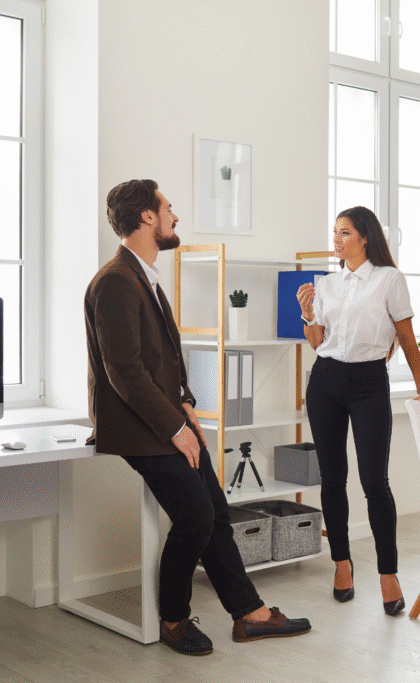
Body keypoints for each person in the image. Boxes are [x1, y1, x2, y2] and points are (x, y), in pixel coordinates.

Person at [85, 180, 310, 656]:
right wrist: (174, 430)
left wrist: (186, 401)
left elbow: (164, 356)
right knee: (195, 517)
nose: (174, 216)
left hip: (167, 417)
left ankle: (248, 614)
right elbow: (123, 370)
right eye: (167, 208)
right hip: (141, 428)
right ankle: (172, 617)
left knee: (215, 513)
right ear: (147, 218)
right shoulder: (114, 281)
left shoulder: (143, 275)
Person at [297, 206, 420, 617]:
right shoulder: (326, 284)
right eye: (335, 232)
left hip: (369, 384)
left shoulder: (389, 279)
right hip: (325, 382)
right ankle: (341, 564)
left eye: (345, 233)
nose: (337, 240)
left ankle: (388, 573)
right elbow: (318, 342)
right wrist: (308, 313)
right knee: (332, 478)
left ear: (365, 238)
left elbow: (408, 339)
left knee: (375, 482)